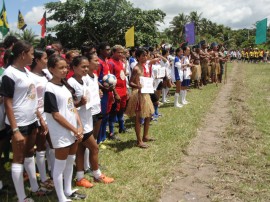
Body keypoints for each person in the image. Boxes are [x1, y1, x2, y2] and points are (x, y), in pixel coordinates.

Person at [0, 40, 51, 202]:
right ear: (22, 54)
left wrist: (40, 118)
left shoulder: (26, 71)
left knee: (30, 154)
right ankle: (22, 197)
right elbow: (7, 102)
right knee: (18, 158)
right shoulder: (10, 74)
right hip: (19, 122)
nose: (32, 56)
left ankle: (35, 187)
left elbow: (32, 97)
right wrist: (14, 130)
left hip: (31, 120)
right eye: (30, 53)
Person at [68, 56, 114, 188]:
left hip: (87, 119)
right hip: (79, 123)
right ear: (74, 67)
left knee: (81, 150)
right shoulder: (71, 83)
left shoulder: (84, 80)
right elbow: (69, 105)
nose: (86, 69)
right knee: (94, 148)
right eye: (83, 67)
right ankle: (97, 175)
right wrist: (78, 103)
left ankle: (80, 177)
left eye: (87, 66)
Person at [44, 55, 85, 201]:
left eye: (65, 67)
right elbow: (55, 115)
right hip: (61, 133)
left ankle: (68, 190)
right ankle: (61, 197)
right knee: (59, 167)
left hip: (73, 131)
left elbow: (72, 107)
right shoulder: (49, 88)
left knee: (70, 161)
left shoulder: (64, 85)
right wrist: (74, 130)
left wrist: (79, 126)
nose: (64, 70)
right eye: (60, 68)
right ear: (51, 69)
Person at [29, 49, 54, 190]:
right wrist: (40, 118)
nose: (47, 61)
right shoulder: (30, 77)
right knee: (41, 147)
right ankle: (43, 178)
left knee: (52, 145)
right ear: (37, 60)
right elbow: (31, 101)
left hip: (48, 113)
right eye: (45, 58)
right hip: (38, 115)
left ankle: (54, 173)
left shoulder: (45, 74)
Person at [125, 48, 155, 149]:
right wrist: (138, 86)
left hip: (145, 94)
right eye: (143, 56)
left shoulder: (144, 67)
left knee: (149, 115)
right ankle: (139, 141)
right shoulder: (136, 68)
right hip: (138, 95)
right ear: (137, 57)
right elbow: (130, 82)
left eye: (146, 55)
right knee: (138, 118)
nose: (145, 57)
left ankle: (145, 136)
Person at [108, 45, 128, 139]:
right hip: (117, 91)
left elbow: (123, 76)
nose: (120, 54)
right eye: (118, 52)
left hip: (123, 90)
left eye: (121, 52)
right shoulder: (110, 63)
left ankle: (122, 127)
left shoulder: (120, 62)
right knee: (114, 111)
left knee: (121, 109)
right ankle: (111, 132)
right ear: (113, 52)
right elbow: (110, 80)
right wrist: (115, 93)